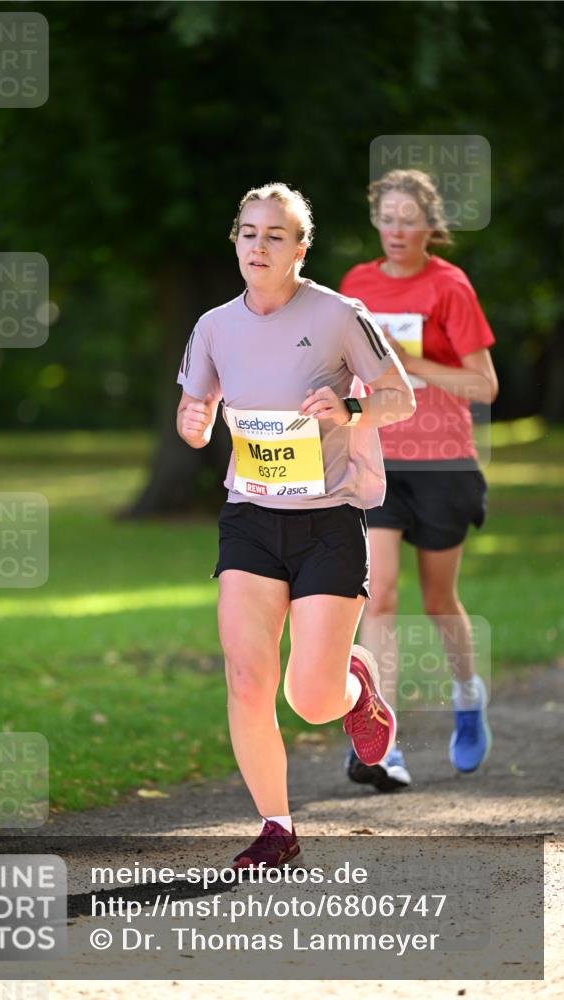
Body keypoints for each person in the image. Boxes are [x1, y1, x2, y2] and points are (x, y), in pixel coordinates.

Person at [176, 182, 415, 868]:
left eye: (274, 235)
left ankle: (353, 685)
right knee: (248, 679)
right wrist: (192, 425)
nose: (258, 244)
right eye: (248, 232)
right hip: (249, 516)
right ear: (236, 241)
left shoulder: (340, 315)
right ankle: (275, 828)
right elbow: (193, 413)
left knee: (310, 700)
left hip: (328, 520)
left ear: (298, 249)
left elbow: (397, 396)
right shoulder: (214, 325)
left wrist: (351, 409)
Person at [339, 168, 499, 793]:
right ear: (376, 220)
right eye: (388, 217)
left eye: (411, 219)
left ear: (431, 226)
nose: (398, 229)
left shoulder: (450, 286)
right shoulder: (356, 283)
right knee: (377, 598)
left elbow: (485, 385)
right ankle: (383, 740)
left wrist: (414, 365)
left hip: (444, 462)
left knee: (438, 601)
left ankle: (467, 695)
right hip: (378, 457)